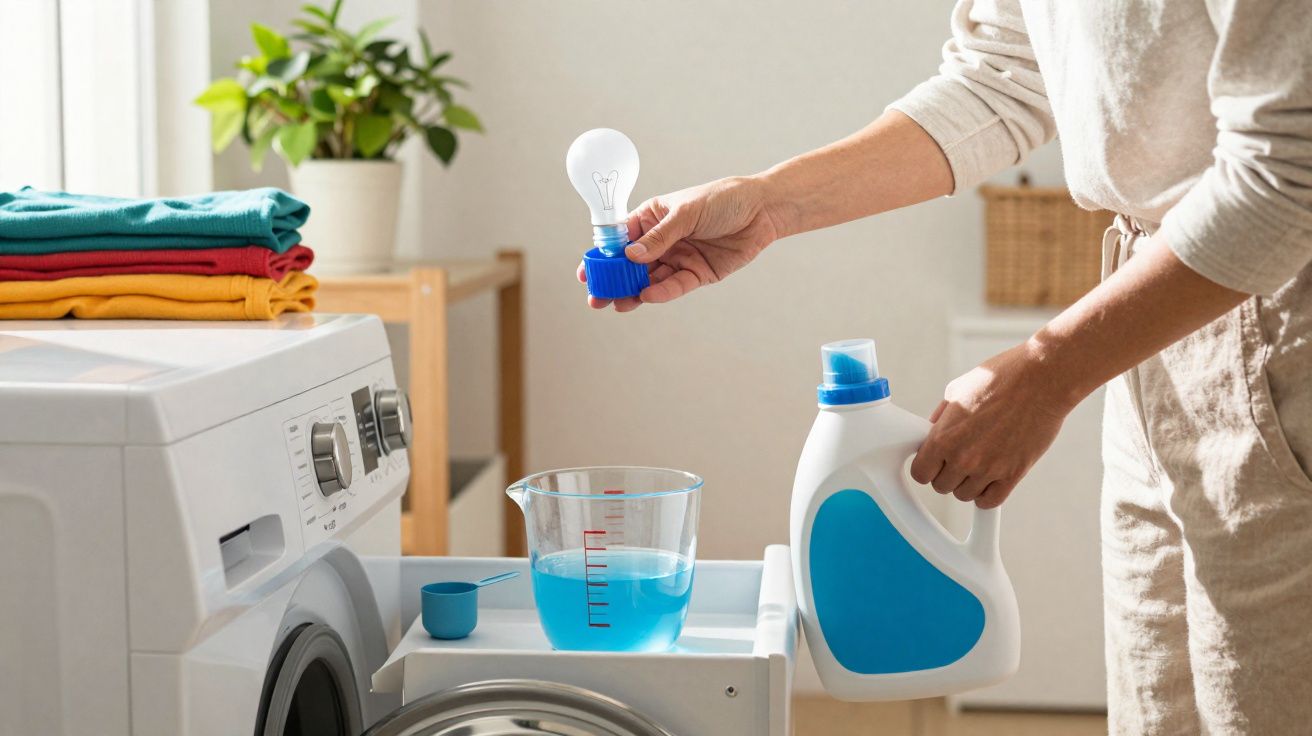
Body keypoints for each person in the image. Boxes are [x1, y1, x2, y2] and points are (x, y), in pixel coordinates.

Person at [578, 1, 1312, 732]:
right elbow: (1002, 79)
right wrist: (771, 205)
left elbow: (1291, 169)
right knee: (1163, 710)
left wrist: (1050, 370)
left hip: (1277, 325)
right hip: (1152, 318)